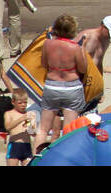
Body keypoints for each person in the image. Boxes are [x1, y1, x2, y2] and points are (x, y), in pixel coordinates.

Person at [35, 14, 88, 151]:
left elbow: (44, 64)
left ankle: (35, 159)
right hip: (72, 87)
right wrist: (82, 48)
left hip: (52, 85)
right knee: (69, 130)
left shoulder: (47, 44)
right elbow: (83, 69)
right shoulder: (75, 47)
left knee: (43, 129)